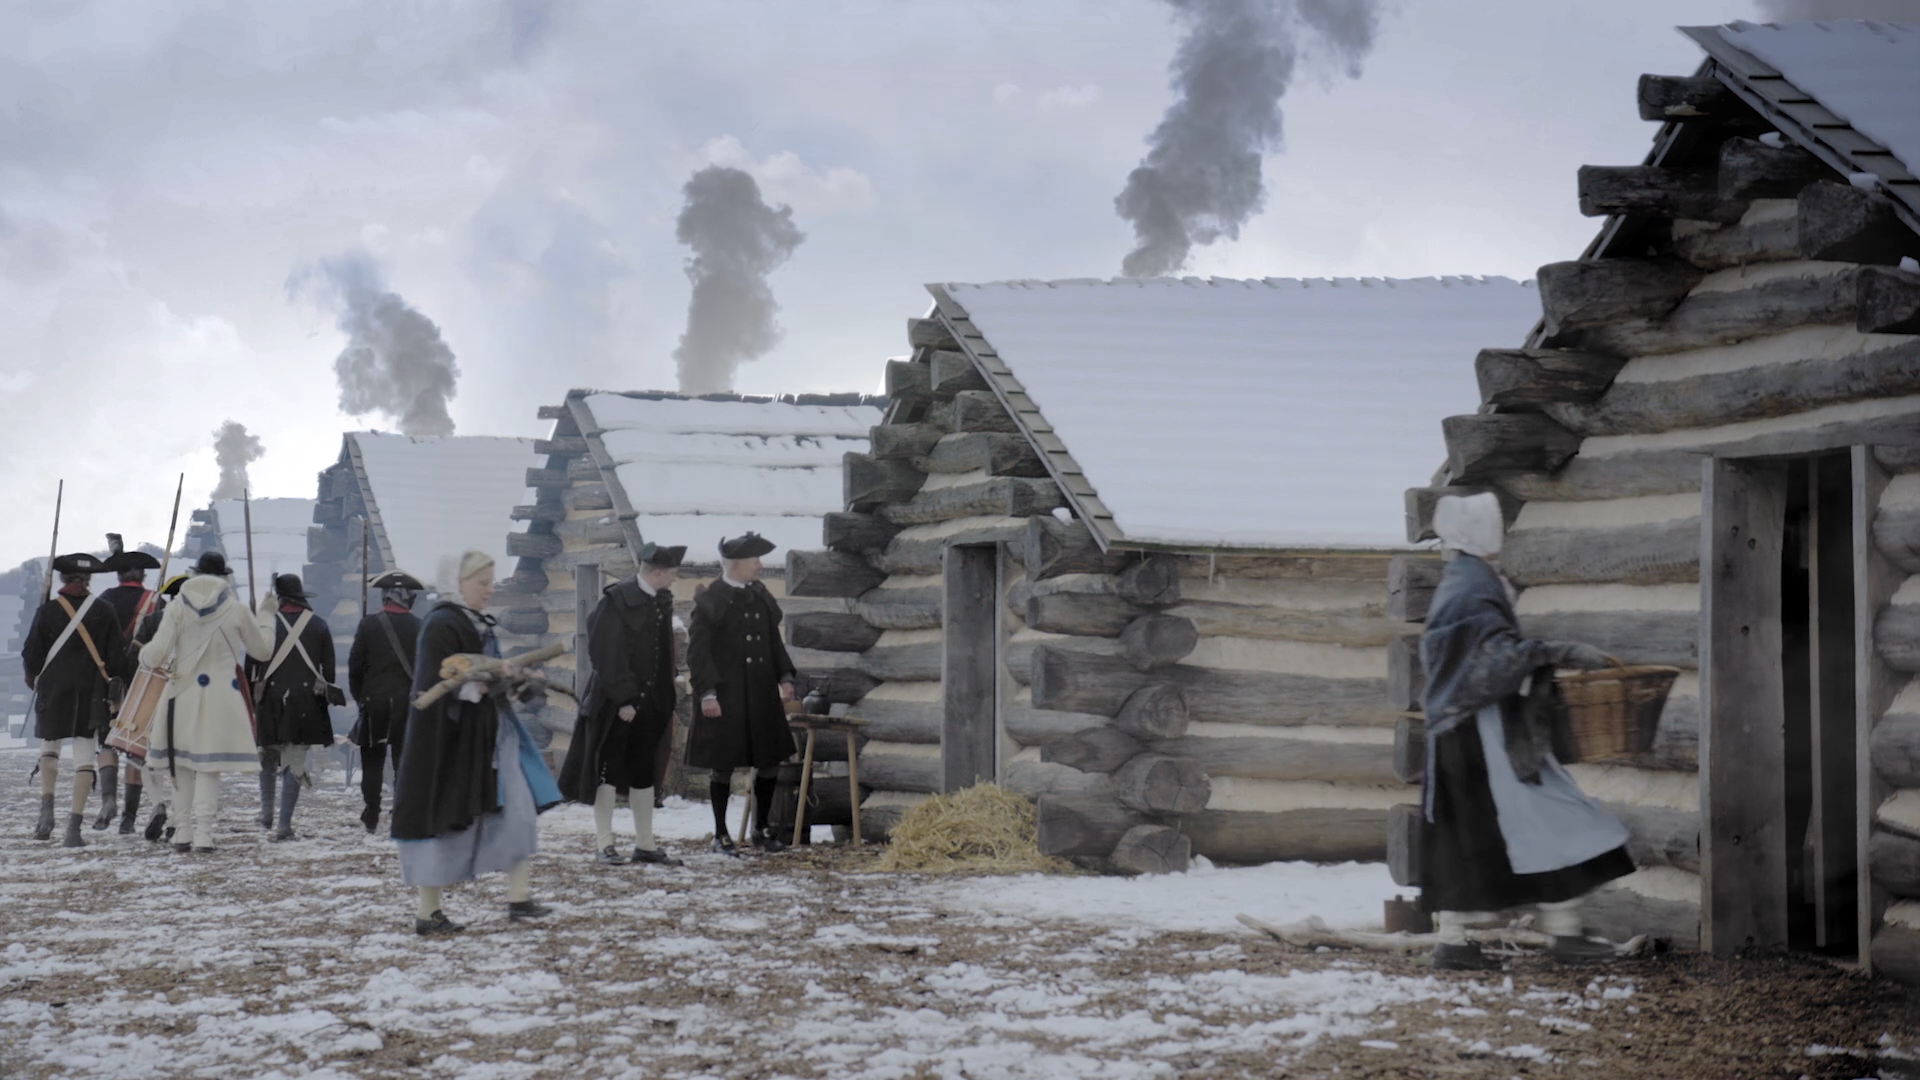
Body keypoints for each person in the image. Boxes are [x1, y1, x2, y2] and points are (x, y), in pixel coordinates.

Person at [1418, 492, 1635, 970]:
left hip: (1468, 728)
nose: (1501, 534)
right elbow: (1489, 661)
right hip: (1478, 733)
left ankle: (1545, 931)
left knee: (1490, 831)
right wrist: (1555, 652)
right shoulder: (1469, 586)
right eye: (1493, 524)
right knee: (1537, 818)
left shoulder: (1467, 579)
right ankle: (1535, 934)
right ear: (1477, 531)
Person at [391, 550, 561, 936]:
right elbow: (438, 683)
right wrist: (480, 683)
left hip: (491, 737)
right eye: (482, 583)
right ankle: (427, 911)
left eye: (491, 582)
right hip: (447, 744)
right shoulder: (441, 625)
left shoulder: (477, 622)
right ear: (458, 583)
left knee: (518, 810)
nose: (490, 590)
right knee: (441, 823)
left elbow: (488, 678)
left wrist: (516, 681)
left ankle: (519, 898)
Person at [559, 542, 688, 867]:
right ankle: (605, 845)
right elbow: (605, 652)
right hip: (616, 705)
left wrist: (663, 698)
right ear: (658, 572)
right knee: (608, 772)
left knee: (644, 772)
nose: (674, 579)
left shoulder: (660, 600)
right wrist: (625, 698)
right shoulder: (615, 601)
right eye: (672, 573)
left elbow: (659, 655)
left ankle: (645, 844)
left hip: (651, 706)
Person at [139, 551, 273, 853]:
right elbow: (262, 651)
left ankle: (183, 831)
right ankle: (203, 834)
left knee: (181, 765)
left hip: (180, 693)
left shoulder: (175, 610)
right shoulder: (237, 609)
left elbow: (155, 655)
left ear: (195, 574)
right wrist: (266, 616)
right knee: (209, 767)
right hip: (220, 696)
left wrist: (143, 653)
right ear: (224, 577)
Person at [686, 532, 798, 856]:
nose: (760, 566)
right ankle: (720, 834)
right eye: (755, 561)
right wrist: (707, 693)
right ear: (735, 565)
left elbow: (771, 641)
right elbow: (698, 654)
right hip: (725, 696)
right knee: (722, 764)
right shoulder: (711, 600)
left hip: (761, 693)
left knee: (769, 760)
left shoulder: (760, 595)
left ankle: (761, 829)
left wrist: (785, 675)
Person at [21, 552, 132, 847]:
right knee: (84, 755)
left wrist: (33, 678)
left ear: (63, 579)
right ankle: (74, 829)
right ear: (88, 580)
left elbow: (31, 652)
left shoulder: (47, 611)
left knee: (50, 748)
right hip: (91, 690)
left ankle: (45, 815)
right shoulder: (105, 610)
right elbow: (116, 659)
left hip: (54, 688)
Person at [252, 574, 339, 841]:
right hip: (304, 701)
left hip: (270, 699)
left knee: (267, 757)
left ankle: (267, 812)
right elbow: (331, 673)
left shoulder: (265, 626)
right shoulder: (319, 625)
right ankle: (284, 825)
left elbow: (251, 665)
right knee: (295, 761)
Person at [348, 570, 424, 834]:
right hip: (407, 704)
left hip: (374, 702)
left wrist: (359, 697)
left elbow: (355, 666)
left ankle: (371, 811)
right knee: (403, 760)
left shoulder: (368, 624)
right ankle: (401, 811)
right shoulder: (419, 626)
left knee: (372, 761)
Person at [119, 572, 188, 837]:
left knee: (147, 756)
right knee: (182, 762)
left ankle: (158, 803)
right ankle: (175, 819)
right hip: (187, 696)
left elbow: (134, 660)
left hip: (152, 695)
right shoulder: (201, 624)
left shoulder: (153, 621)